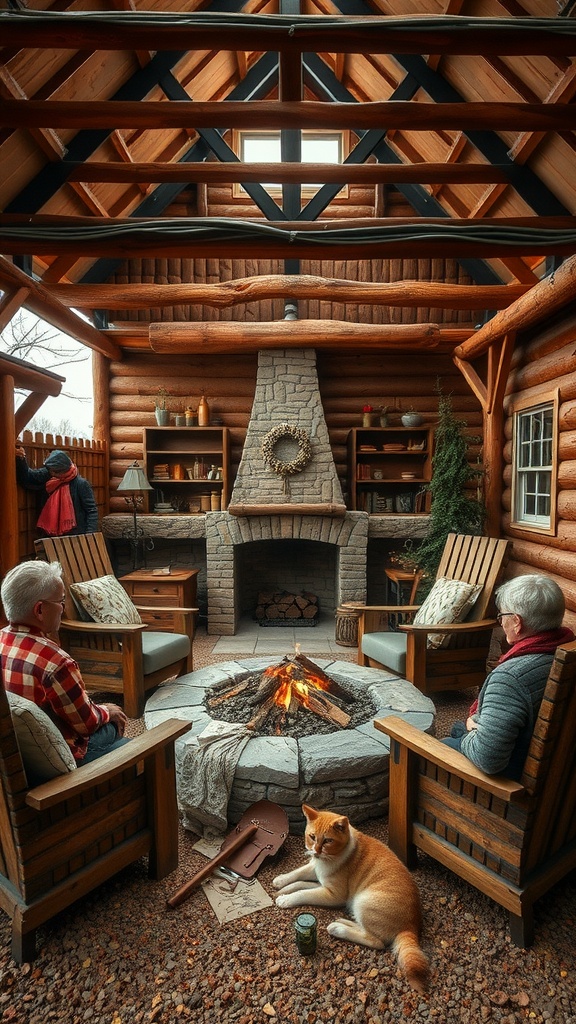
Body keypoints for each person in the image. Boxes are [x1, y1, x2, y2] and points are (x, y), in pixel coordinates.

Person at [443, 574, 574, 780]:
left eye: (502, 615)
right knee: (459, 727)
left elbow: (489, 760)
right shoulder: (565, 650)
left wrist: (473, 731)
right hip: (556, 764)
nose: (501, 622)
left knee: (436, 746)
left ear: (517, 622)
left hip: (517, 779)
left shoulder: (510, 677)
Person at [0, 559, 129, 765]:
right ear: (40, 610)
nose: (63, 608)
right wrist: (107, 711)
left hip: (17, 757)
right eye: (60, 601)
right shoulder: (56, 663)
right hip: (57, 760)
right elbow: (87, 724)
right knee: (114, 723)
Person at [16, 446, 98, 536]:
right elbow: (28, 478)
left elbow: (91, 511)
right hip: (50, 535)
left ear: (61, 471)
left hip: (75, 535)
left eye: (54, 472)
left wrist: (89, 536)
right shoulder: (48, 475)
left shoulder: (81, 484)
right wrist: (21, 458)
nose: (51, 473)